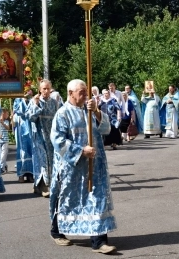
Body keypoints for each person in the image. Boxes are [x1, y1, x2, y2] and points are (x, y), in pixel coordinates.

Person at [49, 79, 117, 254]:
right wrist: (80, 151)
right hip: (73, 168)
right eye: (82, 92)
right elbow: (57, 140)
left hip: (96, 166)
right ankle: (57, 231)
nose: (86, 95)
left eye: (86, 91)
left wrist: (96, 111)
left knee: (98, 200)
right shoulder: (63, 113)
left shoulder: (90, 111)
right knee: (67, 199)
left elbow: (106, 129)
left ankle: (99, 241)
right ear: (70, 93)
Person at [25, 79, 59, 197]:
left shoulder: (54, 102)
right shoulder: (34, 101)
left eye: (48, 88)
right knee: (42, 160)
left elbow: (59, 117)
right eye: (43, 88)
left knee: (51, 160)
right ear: (39, 90)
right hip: (39, 135)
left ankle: (38, 185)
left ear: (51, 89)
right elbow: (30, 117)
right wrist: (36, 105)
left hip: (51, 136)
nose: (46, 91)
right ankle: (44, 185)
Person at [12, 98, 34, 183]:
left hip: (30, 126)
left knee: (31, 150)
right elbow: (19, 111)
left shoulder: (32, 99)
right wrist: (24, 100)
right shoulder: (17, 99)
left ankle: (30, 174)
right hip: (21, 126)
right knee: (22, 151)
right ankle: (21, 174)